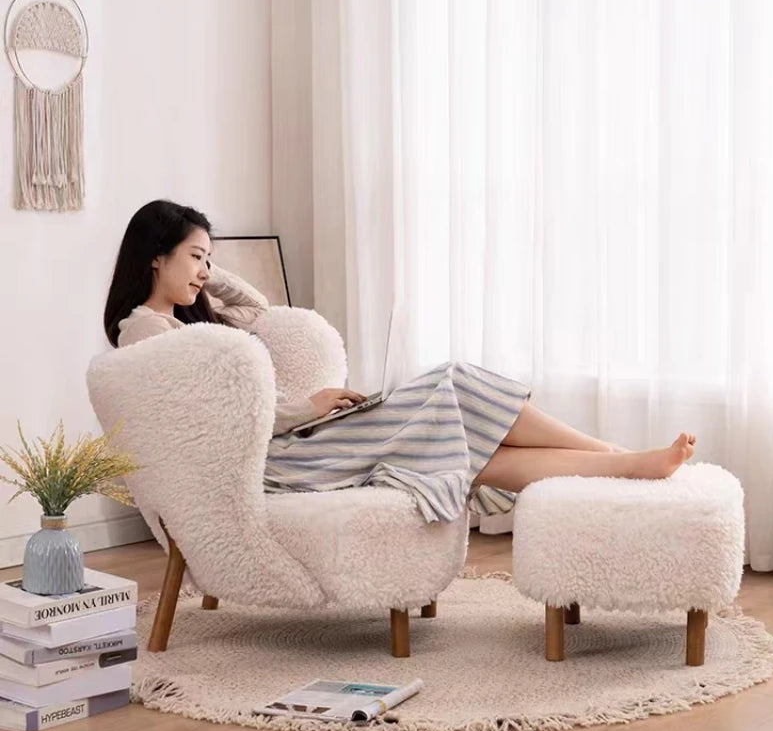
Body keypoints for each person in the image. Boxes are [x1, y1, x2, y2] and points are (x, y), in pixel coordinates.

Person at [104, 200, 696, 523]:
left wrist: (205, 270)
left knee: (466, 450)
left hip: (303, 438)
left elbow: (259, 308)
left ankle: (625, 462)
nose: (206, 271)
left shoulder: (191, 323)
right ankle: (614, 456)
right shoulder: (145, 332)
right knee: (455, 381)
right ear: (155, 258)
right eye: (196, 257)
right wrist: (301, 410)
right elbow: (219, 418)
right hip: (281, 459)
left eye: (209, 259)